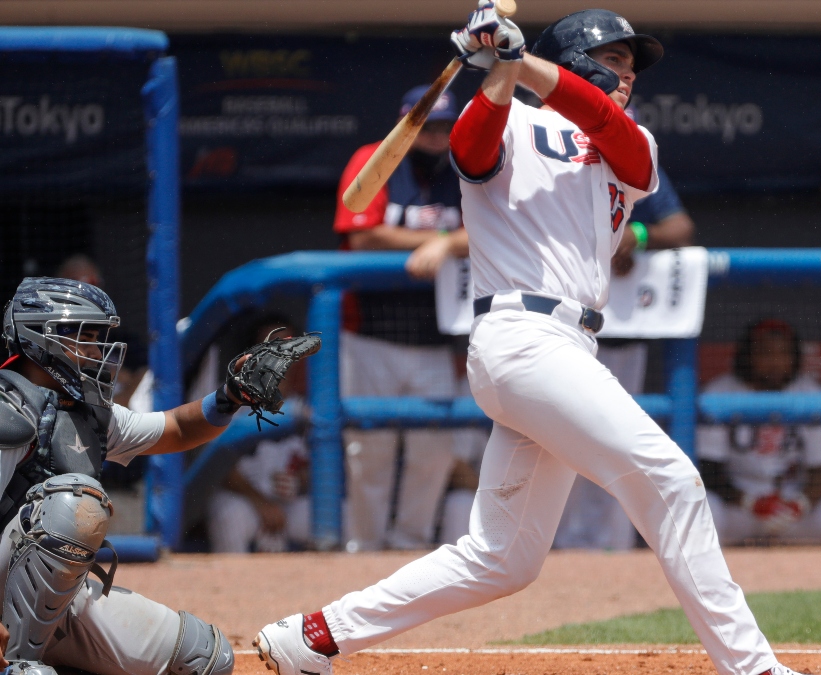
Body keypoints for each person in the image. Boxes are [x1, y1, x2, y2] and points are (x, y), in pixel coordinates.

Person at [255, 7, 802, 675]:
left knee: (501, 557)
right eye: (617, 59)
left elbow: (605, 124)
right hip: (521, 336)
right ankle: (755, 669)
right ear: (574, 59)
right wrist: (500, 72)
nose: (629, 74)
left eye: (634, 64)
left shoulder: (635, 143)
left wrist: (517, 61)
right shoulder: (505, 117)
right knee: (673, 480)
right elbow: (473, 148)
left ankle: (311, 636)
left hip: (567, 347)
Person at [0, 277, 314, 673]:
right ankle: (18, 664)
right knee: (75, 503)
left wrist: (231, 396)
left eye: (98, 337)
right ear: (40, 338)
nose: (97, 350)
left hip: (52, 597)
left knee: (204, 658)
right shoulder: (6, 412)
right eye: (83, 336)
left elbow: (174, 430)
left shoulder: (82, 411)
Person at [333, 85, 470, 551]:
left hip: (434, 338)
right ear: (404, 126)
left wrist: (447, 244)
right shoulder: (373, 160)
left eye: (443, 128)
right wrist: (435, 242)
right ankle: (363, 548)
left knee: (433, 454)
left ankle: (410, 546)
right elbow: (362, 237)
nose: (435, 137)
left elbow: (493, 230)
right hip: (370, 336)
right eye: (426, 127)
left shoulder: (463, 167)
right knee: (369, 453)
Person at [555, 165, 695, 550]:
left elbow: (681, 227)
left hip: (620, 333)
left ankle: (612, 557)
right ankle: (555, 551)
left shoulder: (639, 165)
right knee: (559, 444)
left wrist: (638, 235)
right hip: (557, 331)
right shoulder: (561, 161)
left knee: (616, 445)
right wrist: (604, 244)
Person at [697, 319, 821, 547]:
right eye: (765, 353)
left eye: (783, 354)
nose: (775, 362)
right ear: (747, 356)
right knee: (701, 508)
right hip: (738, 506)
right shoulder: (720, 393)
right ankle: (708, 583)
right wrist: (749, 501)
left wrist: (800, 504)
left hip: (793, 506)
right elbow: (708, 469)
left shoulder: (811, 394)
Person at [207, 317, 312, 553]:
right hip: (243, 499)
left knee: (320, 512)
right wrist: (260, 502)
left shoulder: (306, 405)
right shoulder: (227, 399)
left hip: (288, 503)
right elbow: (216, 468)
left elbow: (319, 467)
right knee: (230, 514)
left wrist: (300, 481)